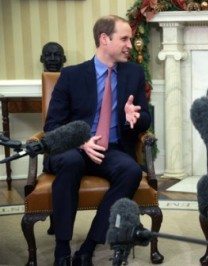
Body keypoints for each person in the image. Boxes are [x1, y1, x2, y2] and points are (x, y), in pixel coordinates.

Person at [44, 15, 151, 266]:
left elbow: (144, 117)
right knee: (70, 162)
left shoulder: (133, 73)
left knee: (131, 171)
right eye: (124, 38)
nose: (129, 44)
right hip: (73, 147)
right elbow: (52, 126)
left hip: (110, 148)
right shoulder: (71, 75)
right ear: (104, 39)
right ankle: (62, 250)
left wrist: (132, 117)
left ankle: (89, 246)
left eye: (131, 39)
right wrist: (81, 141)